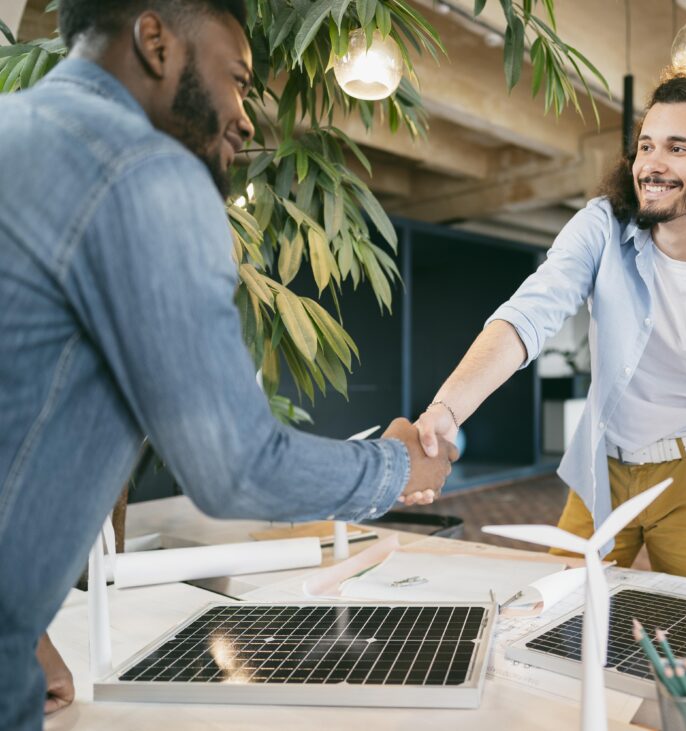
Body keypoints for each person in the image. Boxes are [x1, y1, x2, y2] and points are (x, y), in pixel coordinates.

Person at [0, 2, 455, 728]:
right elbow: (234, 464)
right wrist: (398, 468)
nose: (245, 117)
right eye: (237, 79)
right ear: (156, 41)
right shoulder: (146, 172)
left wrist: (23, 634)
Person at [415, 74, 686, 609]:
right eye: (646, 146)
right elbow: (529, 314)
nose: (652, 164)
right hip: (602, 463)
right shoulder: (602, 227)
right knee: (557, 611)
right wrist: (449, 407)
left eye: (679, 148)